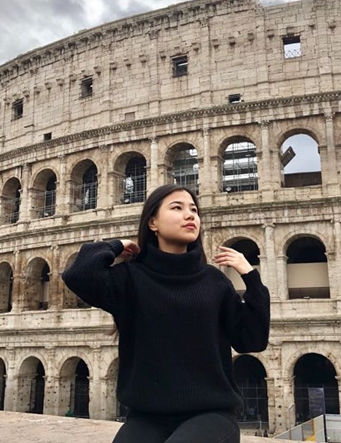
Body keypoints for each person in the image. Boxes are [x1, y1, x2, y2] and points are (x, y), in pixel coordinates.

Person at [62, 184, 270, 443]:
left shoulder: (214, 281)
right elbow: (78, 274)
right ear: (153, 223)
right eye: (177, 208)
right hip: (147, 416)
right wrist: (117, 245)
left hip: (211, 413)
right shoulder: (130, 278)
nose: (190, 215)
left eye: (194, 210)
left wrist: (251, 277)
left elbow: (252, 339)